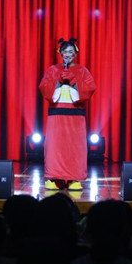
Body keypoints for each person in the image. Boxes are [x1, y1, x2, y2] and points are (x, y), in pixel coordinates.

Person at [39, 37, 96, 191]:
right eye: (65, 51)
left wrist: (74, 80)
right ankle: (55, 177)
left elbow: (90, 88)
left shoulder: (82, 71)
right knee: (55, 147)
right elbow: (43, 87)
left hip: (75, 116)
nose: (68, 54)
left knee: (75, 148)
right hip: (56, 116)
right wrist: (58, 80)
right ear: (60, 53)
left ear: (75, 54)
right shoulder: (53, 70)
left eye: (71, 51)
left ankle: (74, 178)